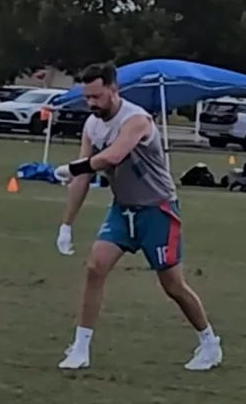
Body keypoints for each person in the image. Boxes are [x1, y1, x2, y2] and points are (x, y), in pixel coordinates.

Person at [49, 63, 221, 372]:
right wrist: (66, 224)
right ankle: (80, 348)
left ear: (114, 90)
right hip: (122, 209)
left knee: (173, 286)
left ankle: (209, 342)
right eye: (87, 97)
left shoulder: (136, 120)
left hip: (158, 210)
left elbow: (111, 157)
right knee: (95, 268)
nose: (91, 103)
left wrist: (74, 167)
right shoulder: (92, 125)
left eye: (97, 96)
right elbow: (83, 175)